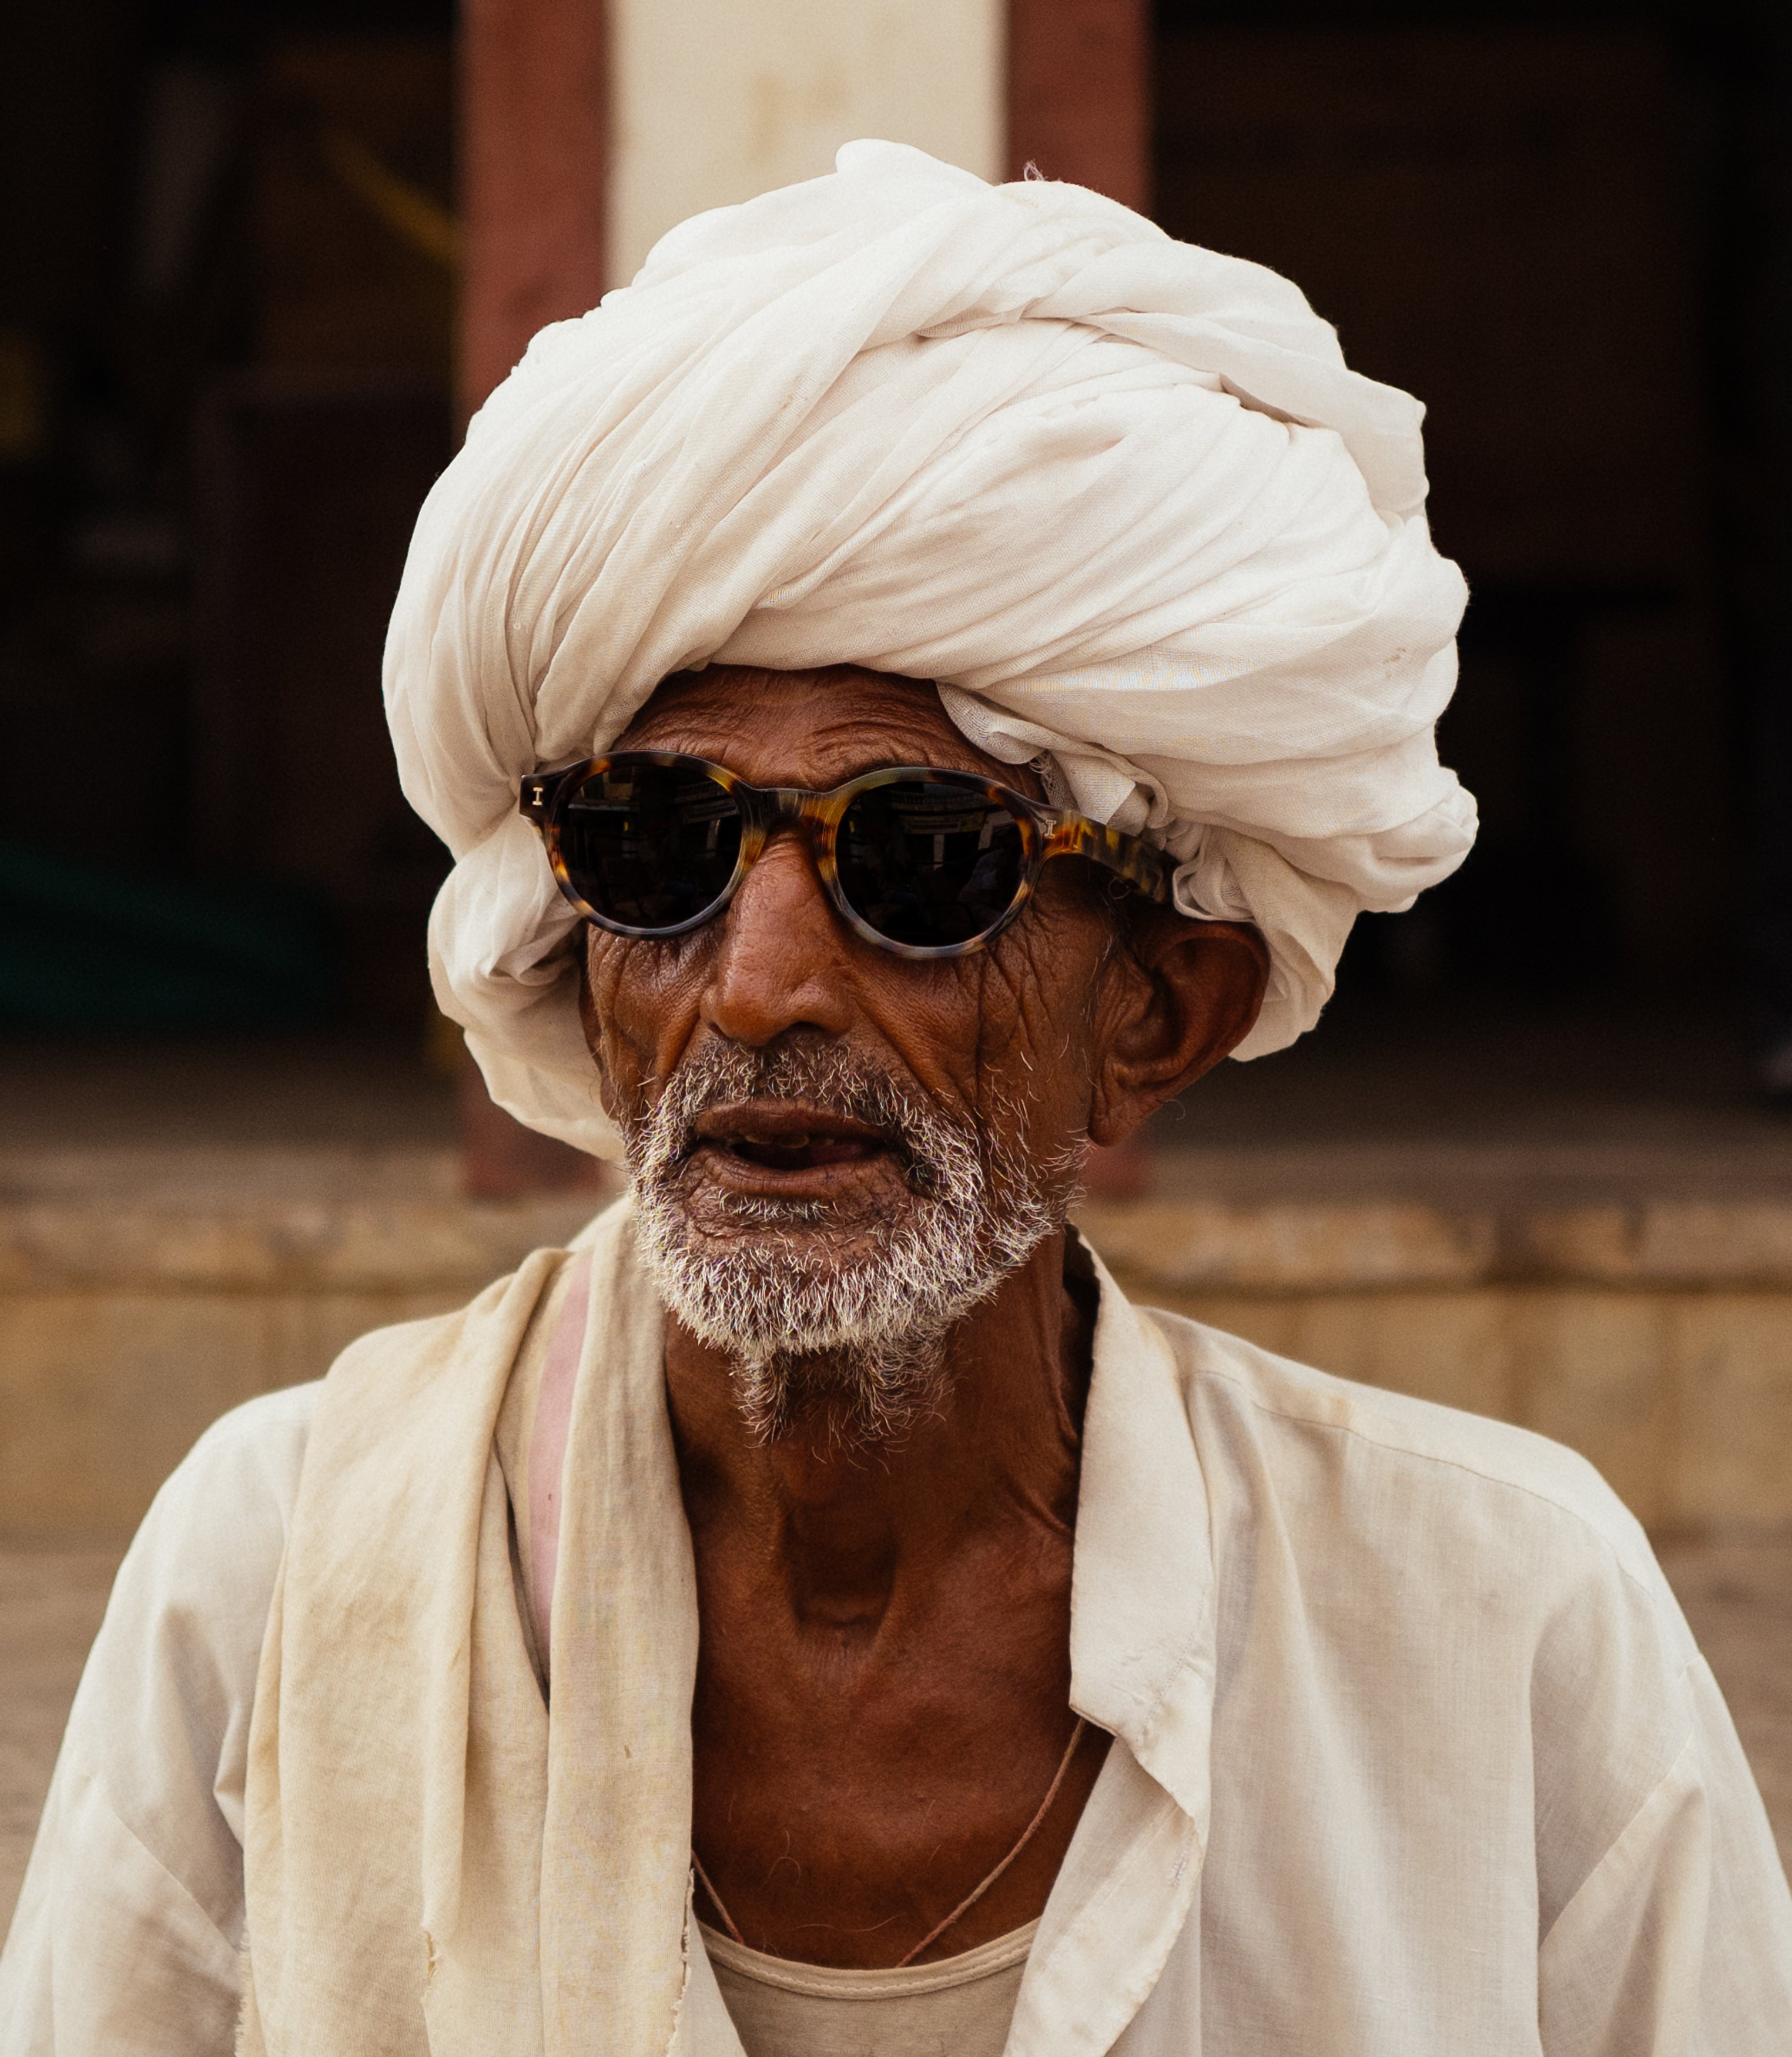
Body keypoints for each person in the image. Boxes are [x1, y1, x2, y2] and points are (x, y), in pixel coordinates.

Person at [4, 142, 1790, 2056]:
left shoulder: (1491, 1612)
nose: (762, 983)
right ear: (574, 943)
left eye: (923, 862)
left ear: (1158, 1011)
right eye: (657, 848)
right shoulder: (280, 1559)